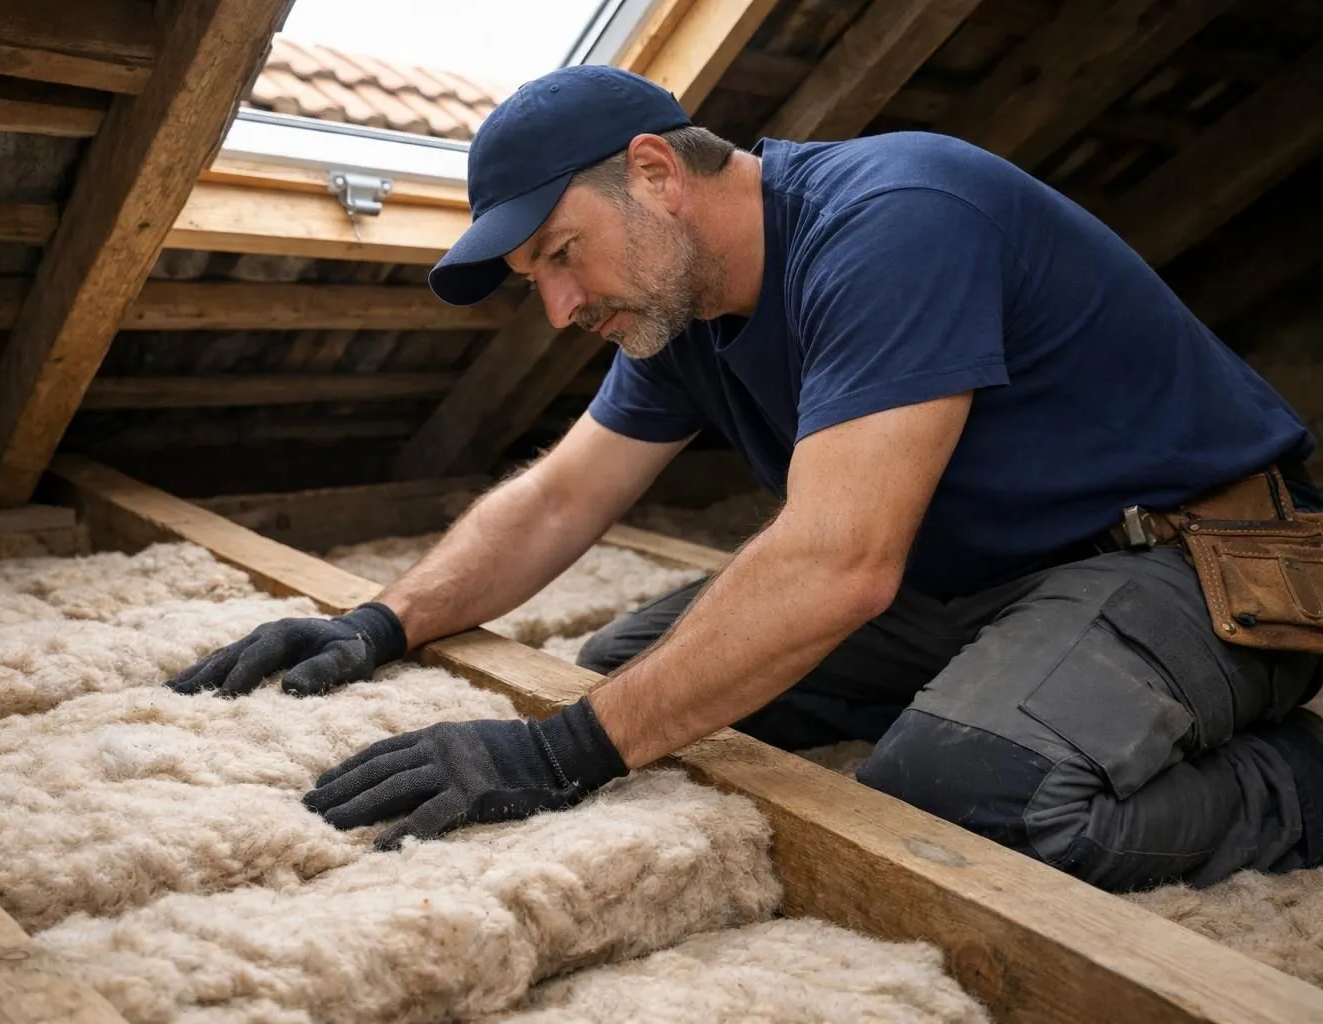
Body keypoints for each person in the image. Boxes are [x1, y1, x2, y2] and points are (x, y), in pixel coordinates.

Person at [166, 65, 1323, 892]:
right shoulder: (686, 310)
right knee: (635, 670)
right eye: (536, 282)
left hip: (1192, 555)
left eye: (561, 256)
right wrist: (382, 620)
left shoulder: (895, 217)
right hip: (987, 579)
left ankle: (1295, 780)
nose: (562, 308)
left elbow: (841, 560)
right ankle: (1028, 694)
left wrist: (562, 752)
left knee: (958, 792)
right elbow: (563, 496)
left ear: (658, 173)